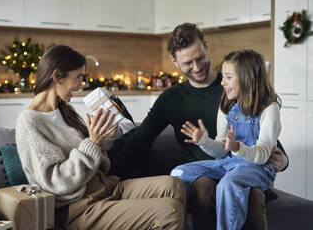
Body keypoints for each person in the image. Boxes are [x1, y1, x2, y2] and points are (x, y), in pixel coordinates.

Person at [108, 23, 289, 230]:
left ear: (206, 46)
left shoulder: (234, 87)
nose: (196, 67)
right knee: (203, 187)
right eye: (187, 63)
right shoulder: (171, 99)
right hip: (205, 173)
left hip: (244, 168)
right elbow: (140, 139)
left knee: (251, 192)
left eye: (200, 58)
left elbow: (264, 139)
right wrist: (111, 175)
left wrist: (283, 162)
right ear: (174, 61)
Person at [15, 45, 187, 230]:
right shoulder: (29, 122)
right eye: (78, 77)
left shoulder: (65, 111)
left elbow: (91, 150)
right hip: (79, 208)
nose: (81, 84)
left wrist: (104, 138)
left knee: (174, 185)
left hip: (106, 187)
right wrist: (93, 141)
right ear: (57, 76)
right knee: (169, 211)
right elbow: (56, 181)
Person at [170, 49, 281, 230]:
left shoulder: (269, 109)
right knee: (178, 173)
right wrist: (204, 141)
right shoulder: (227, 105)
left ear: (247, 78)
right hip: (228, 164)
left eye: (228, 77)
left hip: (258, 168)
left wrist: (238, 147)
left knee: (228, 184)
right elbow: (222, 150)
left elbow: (262, 155)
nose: (222, 82)